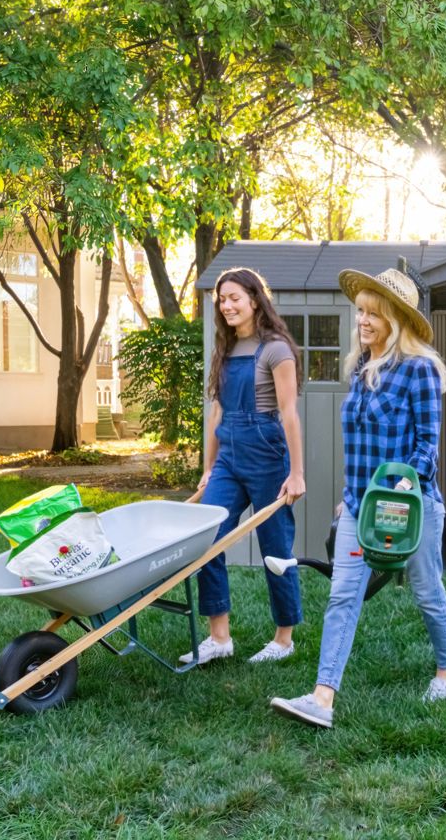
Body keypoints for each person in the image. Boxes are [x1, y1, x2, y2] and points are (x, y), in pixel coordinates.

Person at [270, 267, 446, 728]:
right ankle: (322, 697)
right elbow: (359, 444)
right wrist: (352, 496)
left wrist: (392, 494)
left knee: (427, 591)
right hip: (360, 506)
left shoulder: (419, 370)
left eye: (373, 314)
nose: (363, 321)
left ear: (396, 319)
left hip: (410, 507)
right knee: (343, 596)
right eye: (360, 312)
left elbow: (427, 449)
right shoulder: (361, 369)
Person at [181, 267, 306, 666]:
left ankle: (284, 639)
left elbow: (289, 414)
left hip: (267, 454)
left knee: (275, 549)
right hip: (229, 458)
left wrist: (297, 473)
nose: (227, 305)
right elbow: (217, 413)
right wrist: (209, 467)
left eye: (234, 297)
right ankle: (219, 637)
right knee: (207, 539)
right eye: (222, 299)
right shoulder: (226, 348)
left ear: (255, 299)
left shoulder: (276, 350)